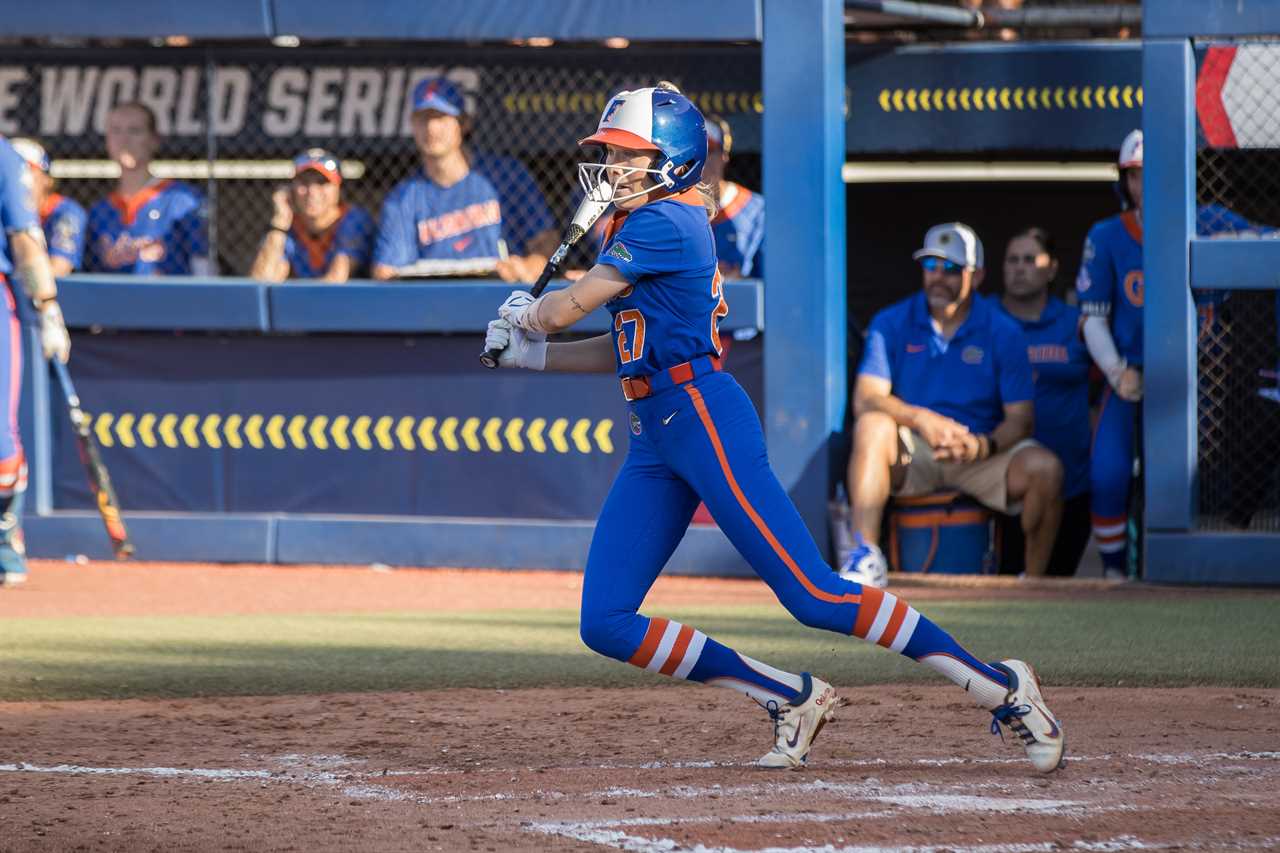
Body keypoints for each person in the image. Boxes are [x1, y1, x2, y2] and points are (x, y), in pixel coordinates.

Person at [482, 85, 1064, 773]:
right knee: (605, 620)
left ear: (671, 160)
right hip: (656, 429)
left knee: (813, 593)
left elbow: (567, 305)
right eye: (610, 153)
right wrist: (537, 352)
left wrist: (532, 314)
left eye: (627, 155)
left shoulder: (669, 221)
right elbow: (622, 344)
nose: (612, 166)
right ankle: (789, 695)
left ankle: (1000, 684)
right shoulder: (628, 224)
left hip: (703, 415)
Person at [1075, 129, 1262, 575]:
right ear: (1124, 180)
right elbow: (1092, 316)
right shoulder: (1107, 235)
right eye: (1137, 175)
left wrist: (1230, 246)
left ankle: (1200, 576)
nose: (1147, 184)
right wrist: (1117, 372)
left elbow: (1267, 242)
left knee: (1199, 483)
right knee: (1108, 475)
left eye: (1156, 173)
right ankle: (1115, 573)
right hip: (1131, 374)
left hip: (1202, 376)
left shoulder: (1211, 220)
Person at [842, 223, 1064, 583]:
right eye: (931, 267)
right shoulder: (892, 321)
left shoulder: (1003, 330)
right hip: (915, 449)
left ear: (976, 277)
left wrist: (981, 445)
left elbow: (1021, 420)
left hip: (979, 451)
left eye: (951, 269)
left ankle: (1033, 582)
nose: (938, 278)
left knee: (1046, 469)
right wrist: (921, 419)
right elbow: (866, 397)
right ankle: (866, 557)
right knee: (872, 425)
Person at [372, 77, 557, 282]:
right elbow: (386, 271)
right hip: (434, 302)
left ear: (464, 123)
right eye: (423, 118)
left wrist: (529, 267)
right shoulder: (402, 198)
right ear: (412, 125)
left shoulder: (506, 175)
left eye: (441, 117)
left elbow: (546, 239)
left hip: (503, 295)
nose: (431, 128)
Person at [997, 227, 1092, 576]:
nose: (1019, 268)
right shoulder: (985, 320)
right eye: (1011, 260)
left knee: (1057, 583)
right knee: (1002, 578)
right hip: (1004, 482)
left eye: (1029, 260)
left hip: (1073, 483)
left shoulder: (1076, 323)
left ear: (1051, 269)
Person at [0, 136, 72, 587]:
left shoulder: (3, 157)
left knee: (1, 440)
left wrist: (47, 307)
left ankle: (6, 540)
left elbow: (25, 237)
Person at [84, 101, 209, 276]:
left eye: (135, 131)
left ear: (154, 140)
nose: (124, 139)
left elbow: (204, 268)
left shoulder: (182, 200)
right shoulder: (99, 212)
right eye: (116, 130)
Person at [249, 149, 375, 283]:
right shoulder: (288, 227)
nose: (312, 192)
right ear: (291, 189)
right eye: (304, 182)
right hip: (307, 300)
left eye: (322, 183)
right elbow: (261, 282)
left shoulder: (354, 220)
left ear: (338, 188)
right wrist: (280, 221)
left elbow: (336, 281)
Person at [9, 138, 86, 277]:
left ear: (46, 180)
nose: (18, 180)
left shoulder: (65, 212)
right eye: (11, 173)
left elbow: (58, 270)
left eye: (27, 170)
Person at [703, 115, 764, 279]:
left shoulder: (758, 211)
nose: (699, 162)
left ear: (724, 156)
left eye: (708, 152)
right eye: (691, 154)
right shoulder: (670, 210)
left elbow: (772, 281)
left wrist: (739, 280)